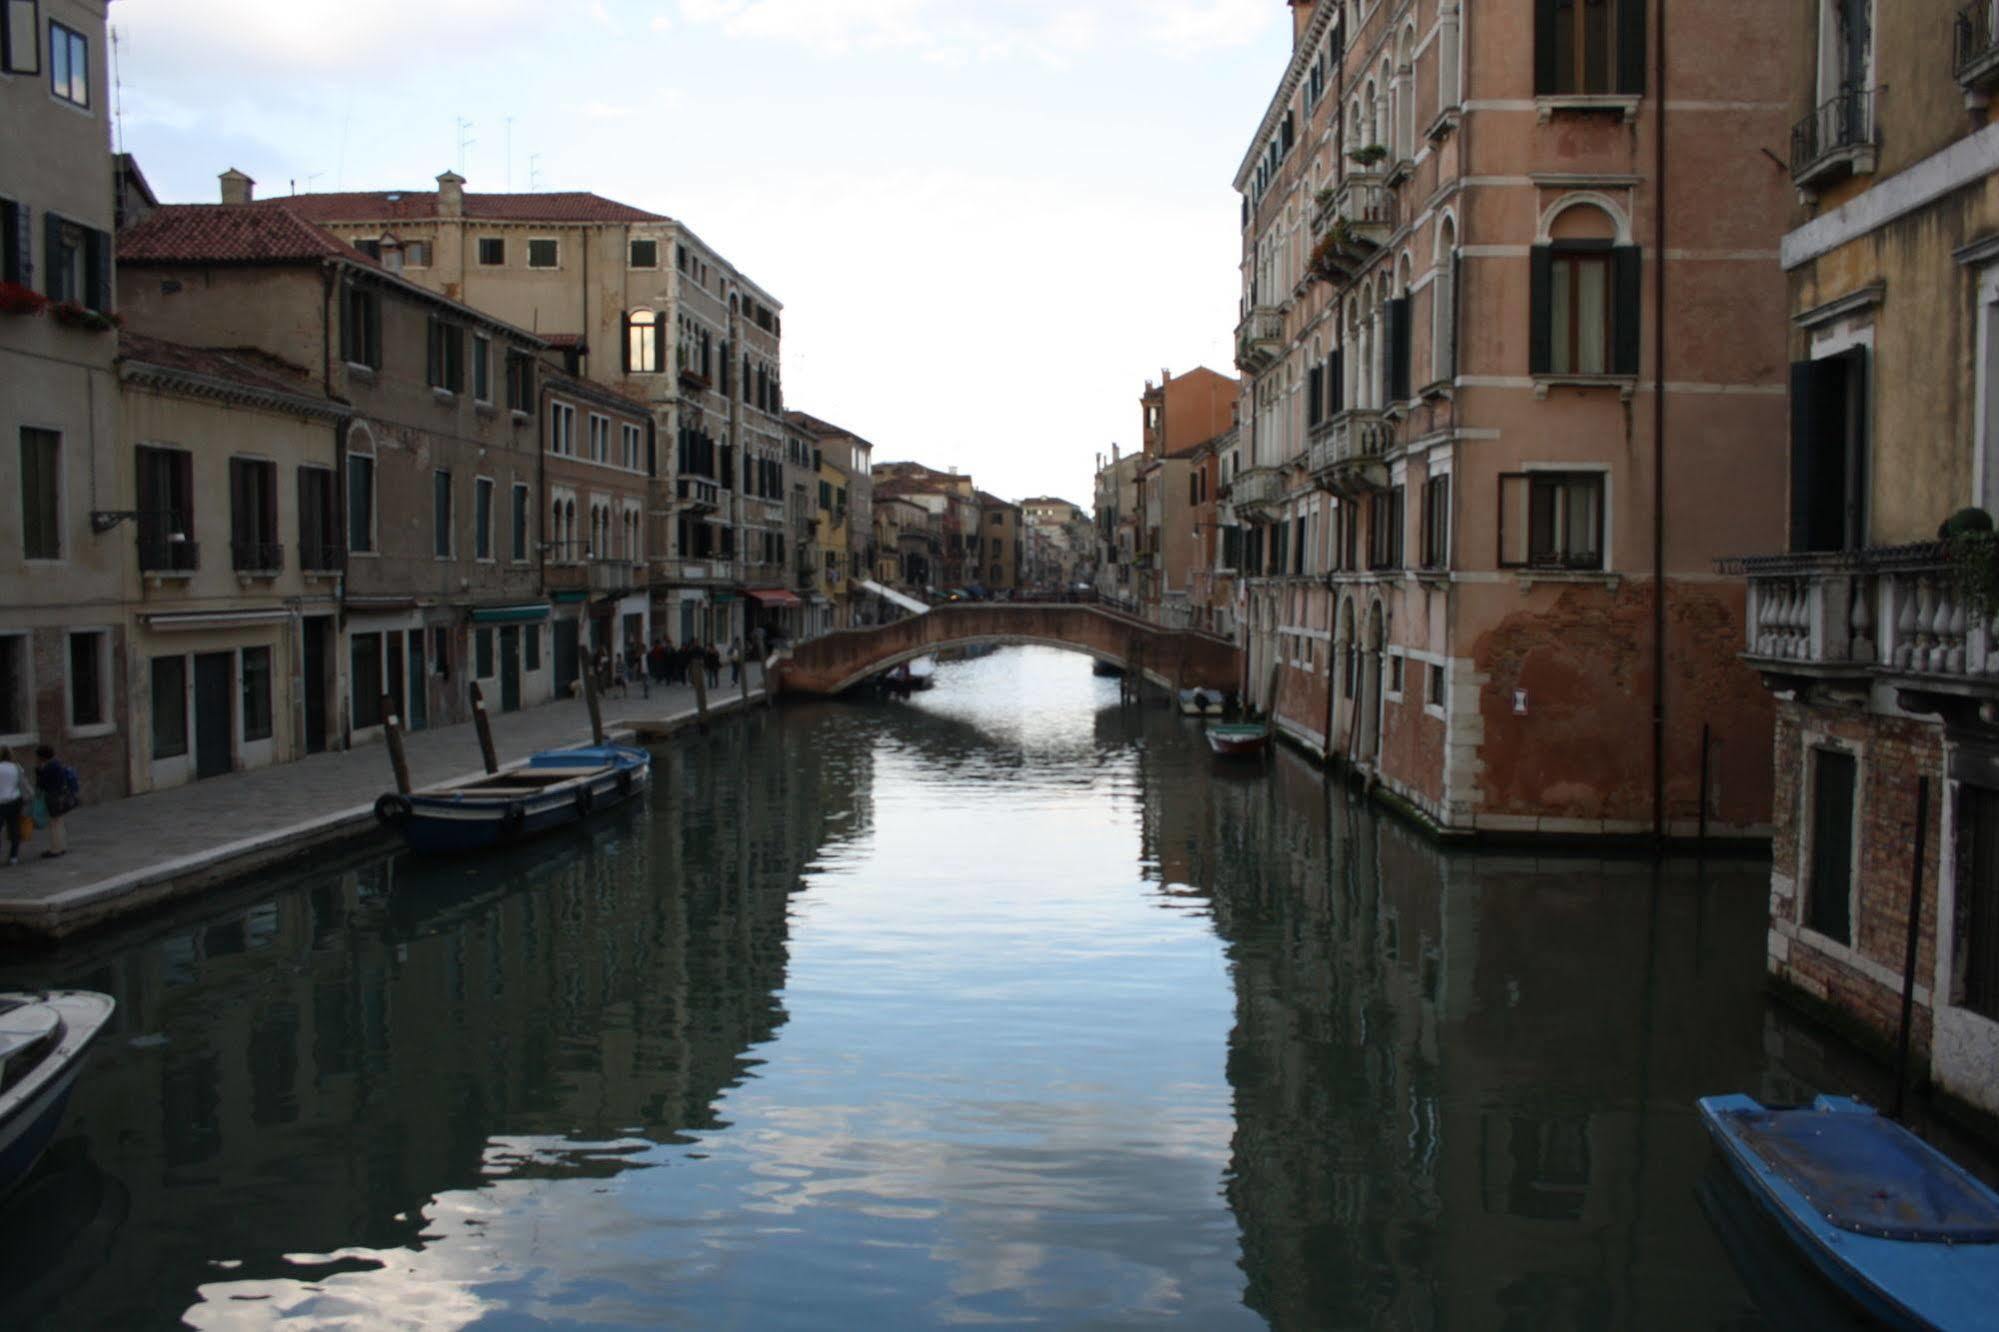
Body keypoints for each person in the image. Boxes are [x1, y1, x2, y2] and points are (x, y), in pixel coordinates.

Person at [34, 744, 76, 859]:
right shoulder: (57, 764)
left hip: (52, 796)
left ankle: (55, 849)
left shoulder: (49, 767)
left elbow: (42, 784)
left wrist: (38, 770)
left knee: (54, 823)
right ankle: (61, 846)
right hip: (60, 795)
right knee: (59, 822)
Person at [0, 746, 24, 865]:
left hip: (1, 802)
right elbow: (21, 783)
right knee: (14, 828)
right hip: (15, 800)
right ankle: (13, 856)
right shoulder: (16, 767)